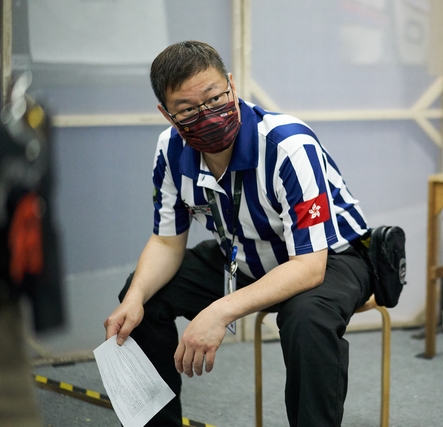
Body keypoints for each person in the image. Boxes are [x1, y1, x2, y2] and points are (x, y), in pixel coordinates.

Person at [104, 40, 372, 427]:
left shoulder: (288, 146)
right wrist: (133, 297)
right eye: (188, 110)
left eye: (214, 98)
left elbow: (310, 267)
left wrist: (219, 310)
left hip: (333, 256)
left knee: (307, 318)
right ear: (166, 114)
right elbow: (166, 241)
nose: (207, 115)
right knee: (142, 300)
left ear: (231, 84)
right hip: (243, 253)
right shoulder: (170, 151)